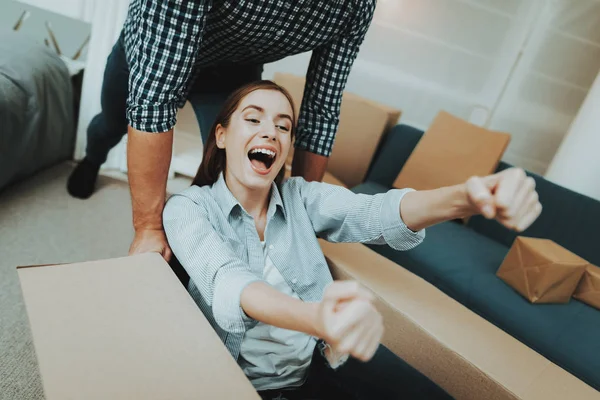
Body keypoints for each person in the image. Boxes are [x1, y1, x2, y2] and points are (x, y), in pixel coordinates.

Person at [162, 81, 542, 399]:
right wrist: (317, 319)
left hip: (307, 381)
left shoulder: (300, 197)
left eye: (283, 126)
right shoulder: (187, 209)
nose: (270, 132)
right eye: (253, 119)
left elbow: (373, 212)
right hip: (224, 385)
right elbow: (229, 280)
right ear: (222, 135)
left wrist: (466, 197)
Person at [67, 0, 379, 262]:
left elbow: (320, 111)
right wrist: (148, 227)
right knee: (113, 122)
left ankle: (193, 248)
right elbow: (154, 98)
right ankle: (93, 158)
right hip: (156, 44)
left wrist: (300, 219)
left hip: (233, 68)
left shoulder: (356, 6)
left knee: (227, 172)